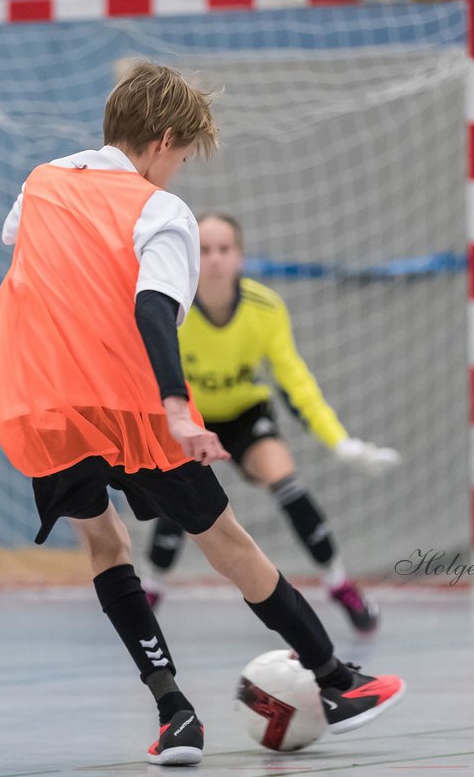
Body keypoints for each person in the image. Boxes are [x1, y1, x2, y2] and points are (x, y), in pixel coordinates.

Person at [0, 62, 405, 766]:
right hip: (129, 403)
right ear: (165, 140)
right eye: (180, 156)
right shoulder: (161, 212)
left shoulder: (42, 180)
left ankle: (174, 713)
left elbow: (16, 237)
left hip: (35, 396)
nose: (177, 171)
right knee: (228, 540)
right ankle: (334, 681)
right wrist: (176, 408)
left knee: (104, 547)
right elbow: (153, 308)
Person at [143, 213, 400, 633]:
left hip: (246, 415)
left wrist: (340, 442)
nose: (214, 259)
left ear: (240, 257)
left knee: (286, 480)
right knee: (181, 496)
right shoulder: (172, 309)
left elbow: (295, 381)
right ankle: (150, 589)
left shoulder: (265, 308)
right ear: (190, 256)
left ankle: (339, 584)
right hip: (191, 417)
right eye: (204, 250)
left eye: (224, 249)